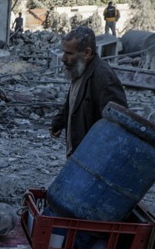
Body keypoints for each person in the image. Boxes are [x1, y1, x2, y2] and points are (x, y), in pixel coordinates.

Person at [50, 26, 128, 157]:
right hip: (78, 153)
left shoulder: (103, 78)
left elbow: (118, 125)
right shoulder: (79, 69)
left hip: (92, 157)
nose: (63, 58)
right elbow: (73, 103)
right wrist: (58, 123)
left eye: (69, 53)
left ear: (87, 53)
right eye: (64, 52)